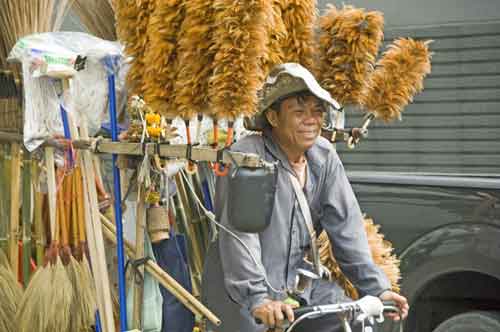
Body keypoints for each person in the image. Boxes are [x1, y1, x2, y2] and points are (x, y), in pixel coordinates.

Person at [202, 63, 408, 332]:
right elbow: (241, 236)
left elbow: (346, 228)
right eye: (299, 112)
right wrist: (258, 299)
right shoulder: (249, 157)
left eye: (316, 112)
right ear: (273, 118)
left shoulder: (323, 157)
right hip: (242, 294)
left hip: (296, 287)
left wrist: (377, 289)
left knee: (353, 320)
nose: (310, 120)